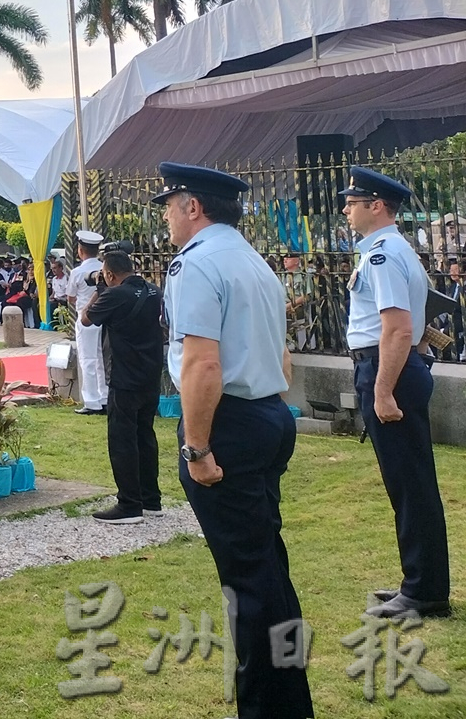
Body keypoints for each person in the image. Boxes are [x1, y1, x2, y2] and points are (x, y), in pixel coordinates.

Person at [158, 162, 313, 719]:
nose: (167, 217)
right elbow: (284, 359)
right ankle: (290, 700)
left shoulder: (196, 265)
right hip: (268, 414)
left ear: (192, 207)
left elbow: (202, 365)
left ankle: (271, 708)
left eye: (170, 205)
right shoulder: (253, 262)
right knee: (267, 567)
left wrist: (197, 448)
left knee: (250, 582)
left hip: (231, 426)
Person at [339, 166, 452, 619]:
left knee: (410, 485)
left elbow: (398, 329)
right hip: (397, 369)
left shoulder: (383, 253)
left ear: (376, 205)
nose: (346, 209)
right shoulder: (391, 250)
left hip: (389, 371)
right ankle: (420, 582)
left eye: (353, 202)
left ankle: (424, 592)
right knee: (410, 483)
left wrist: (384, 391)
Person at [80, 243, 164, 523]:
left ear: (110, 274)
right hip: (151, 374)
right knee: (145, 436)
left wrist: (100, 291)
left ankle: (129, 504)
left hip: (124, 376)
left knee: (122, 440)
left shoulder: (114, 295)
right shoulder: (154, 291)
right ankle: (151, 498)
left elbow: (86, 319)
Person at [65, 230, 106, 415]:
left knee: (87, 359)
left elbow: (70, 297)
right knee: (101, 358)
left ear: (80, 250)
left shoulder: (77, 272)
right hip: (105, 315)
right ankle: (103, 397)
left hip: (86, 316)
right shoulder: (105, 267)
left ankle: (91, 401)